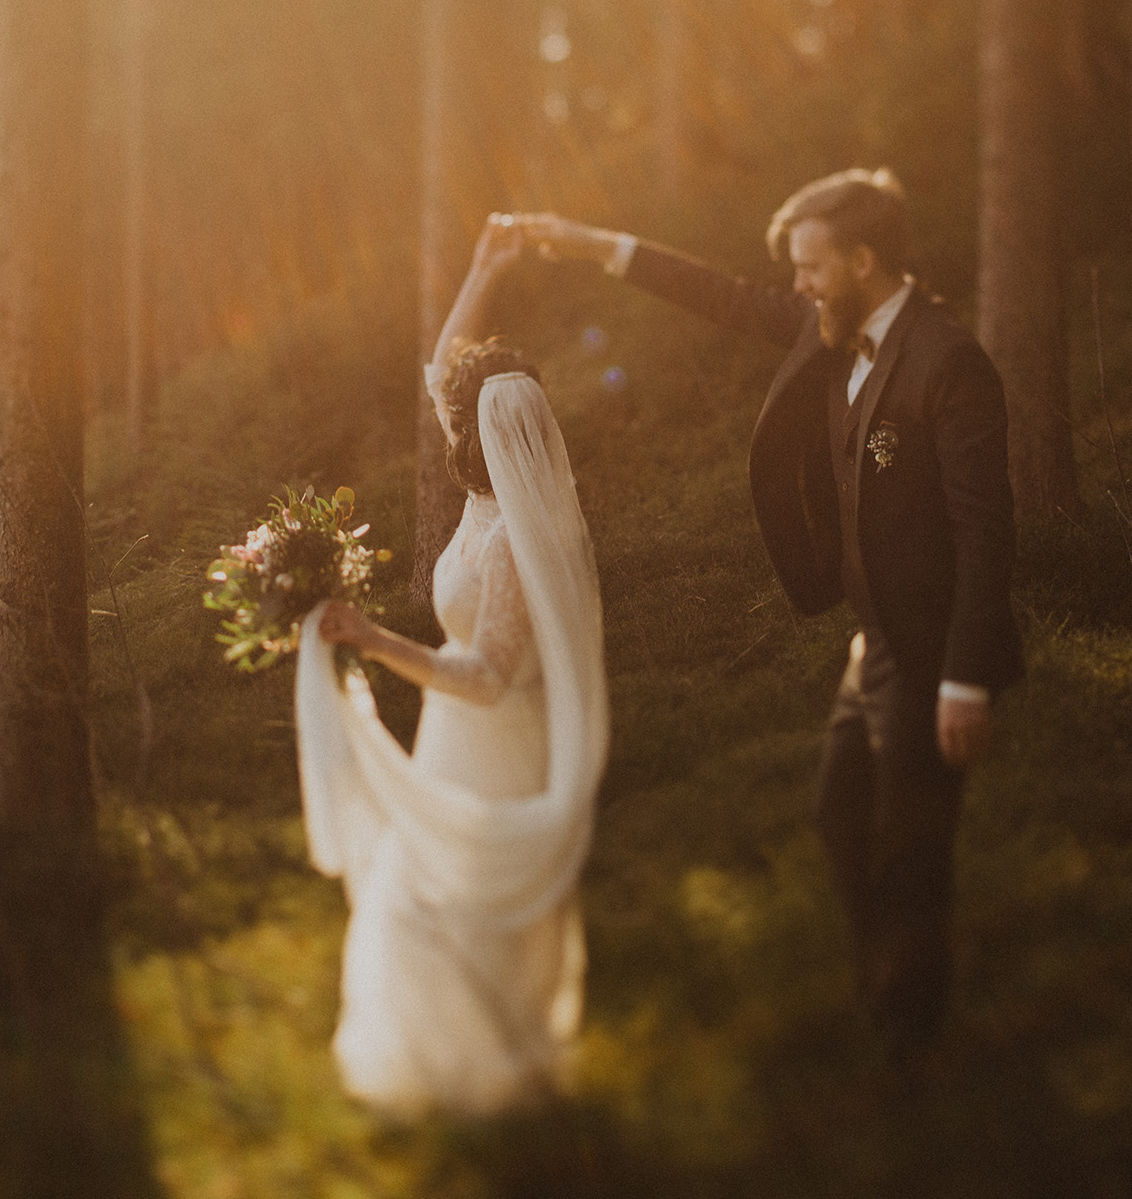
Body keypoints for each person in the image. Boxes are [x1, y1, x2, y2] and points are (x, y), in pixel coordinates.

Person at [519, 170, 1022, 1051]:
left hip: (933, 648)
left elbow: (987, 532)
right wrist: (596, 244)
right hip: (873, 646)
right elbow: (721, 294)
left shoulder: (948, 361)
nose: (797, 284)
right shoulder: (830, 325)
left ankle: (910, 1046)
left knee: (910, 852)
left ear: (863, 260)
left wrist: (966, 680)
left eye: (811, 266)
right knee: (839, 817)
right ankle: (891, 987)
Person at [294, 216, 607, 1115]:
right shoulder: (485, 495)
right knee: (430, 891)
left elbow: (487, 676)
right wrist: (483, 270)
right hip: (453, 737)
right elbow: (443, 370)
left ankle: (493, 1075)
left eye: (455, 419)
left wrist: (373, 640)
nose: (443, 419)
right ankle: (452, 1068)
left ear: (478, 434)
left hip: (500, 741)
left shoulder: (515, 540)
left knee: (461, 903)